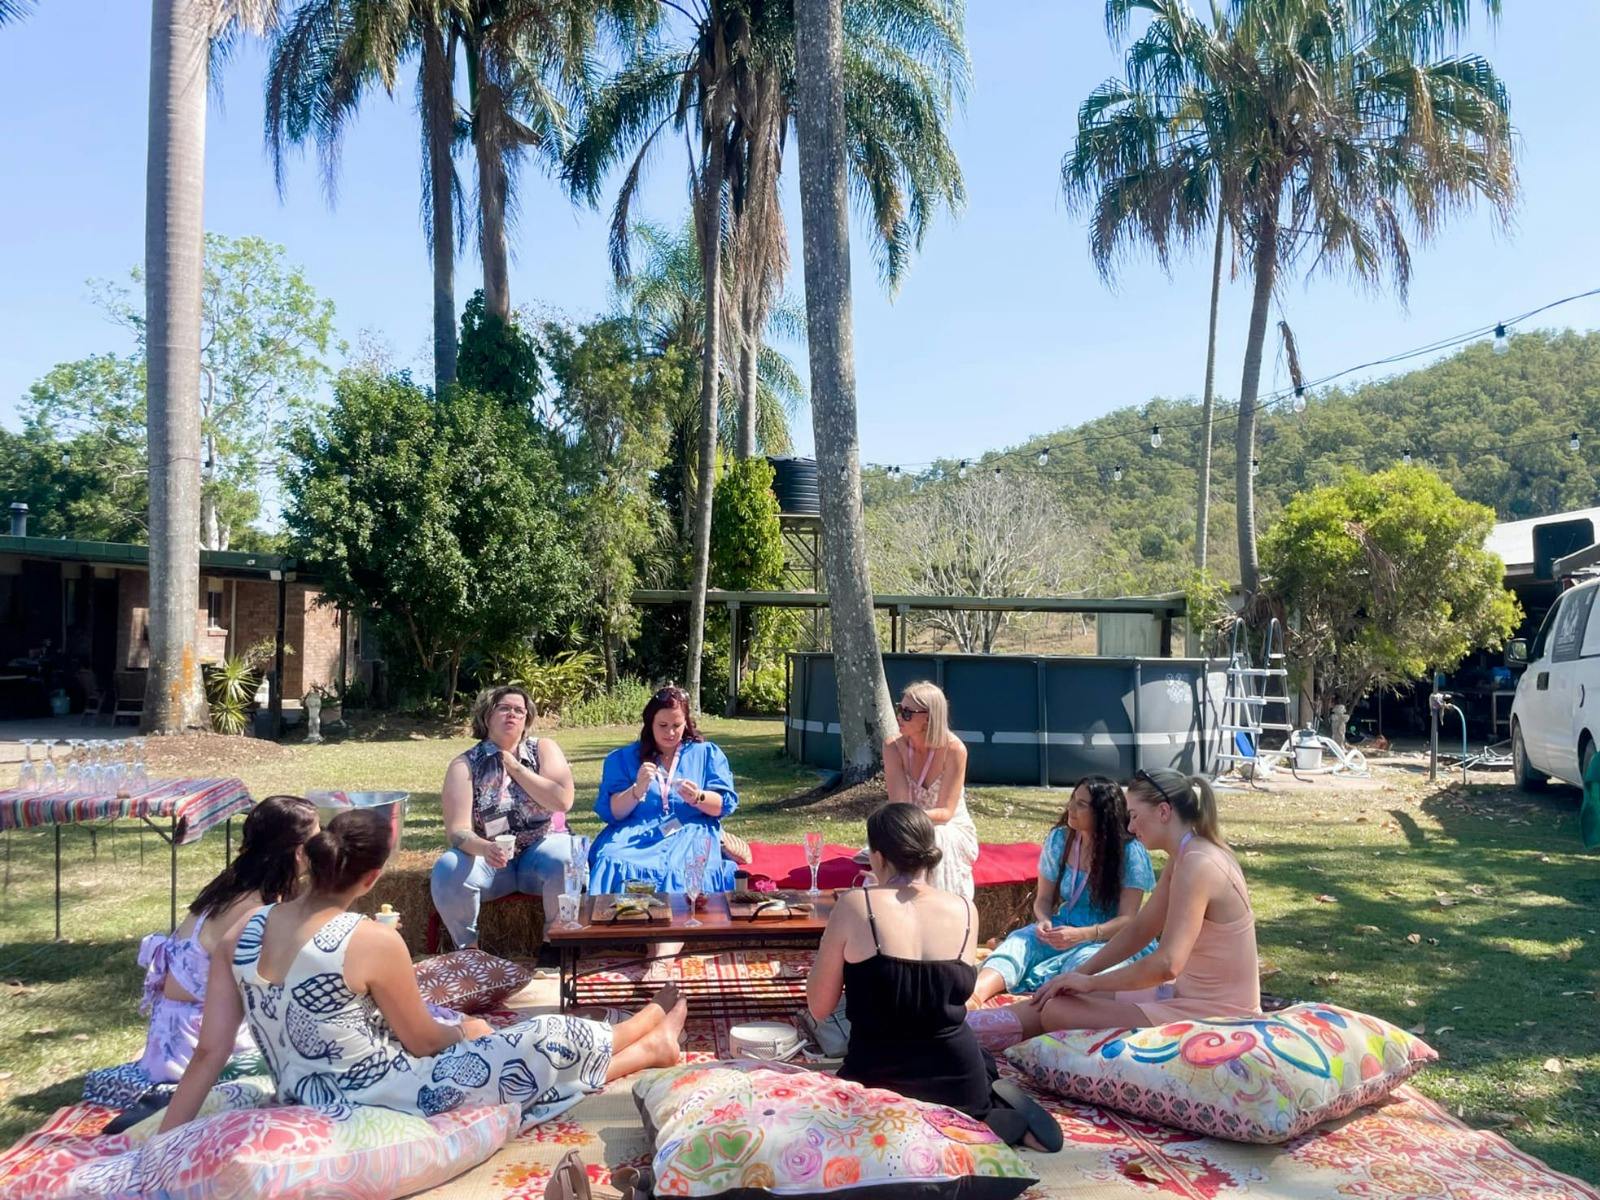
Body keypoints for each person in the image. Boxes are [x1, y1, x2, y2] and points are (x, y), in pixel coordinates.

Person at [160, 808, 688, 1132]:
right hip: (387, 1098)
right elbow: (424, 1043)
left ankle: (644, 1041)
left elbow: (210, 1052)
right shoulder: (371, 940)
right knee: (541, 1036)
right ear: (372, 880)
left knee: (517, 1045)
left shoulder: (243, 929)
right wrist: (468, 1029)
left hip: (301, 1094)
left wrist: (164, 1143)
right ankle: (642, 1031)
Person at [807, 803, 1063, 1153]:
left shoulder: (855, 905)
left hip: (877, 1080)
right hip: (958, 1079)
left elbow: (819, 1007)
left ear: (877, 858)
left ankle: (981, 1120)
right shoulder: (965, 909)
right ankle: (988, 1117)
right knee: (958, 1107)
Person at [983, 768, 1260, 1044]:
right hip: (1186, 997)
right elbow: (1140, 929)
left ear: (1164, 812)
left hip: (1214, 1014)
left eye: (1135, 816)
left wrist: (1091, 982)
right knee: (1064, 994)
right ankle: (975, 1029)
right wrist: (1080, 975)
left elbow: (1167, 964)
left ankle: (976, 1033)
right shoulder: (1187, 856)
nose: (1129, 827)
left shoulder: (1198, 863)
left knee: (1060, 1009)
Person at [83, 795, 320, 1109]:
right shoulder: (254, 909)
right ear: (300, 852)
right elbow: (279, 987)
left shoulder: (231, 886)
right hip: (199, 1052)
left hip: (172, 1040)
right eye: (318, 838)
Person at [968, 776, 1156, 1007]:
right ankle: (974, 998)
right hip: (1062, 928)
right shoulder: (1060, 840)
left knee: (1082, 968)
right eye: (1072, 800)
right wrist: (1045, 921)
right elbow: (1043, 899)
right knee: (1018, 944)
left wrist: (1084, 934)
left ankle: (1048, 1012)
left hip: (1107, 939)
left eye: (1081, 804)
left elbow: (1128, 920)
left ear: (1103, 813)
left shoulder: (1130, 852)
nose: (1070, 808)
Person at [431, 685, 579, 949]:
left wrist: (514, 767)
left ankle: (555, 946)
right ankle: (468, 950)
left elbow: (562, 801)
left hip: (541, 849)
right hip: (491, 860)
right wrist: (485, 848)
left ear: (527, 720)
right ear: (487, 716)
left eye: (519, 711)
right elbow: (458, 831)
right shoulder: (464, 764)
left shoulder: (542, 749)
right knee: (447, 866)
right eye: (504, 708)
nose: (512, 714)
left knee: (568, 857)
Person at [588, 685, 739, 894]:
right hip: (635, 831)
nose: (670, 732)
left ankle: (683, 923)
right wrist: (636, 789)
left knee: (681, 868)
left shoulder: (706, 754)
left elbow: (721, 806)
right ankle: (618, 921)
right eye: (662, 725)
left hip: (690, 829)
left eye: (677, 725)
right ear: (650, 723)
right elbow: (614, 812)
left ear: (686, 723)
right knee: (612, 858)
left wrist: (698, 797)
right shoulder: (623, 758)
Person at [884, 682, 980, 898]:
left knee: (936, 837)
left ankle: (942, 911)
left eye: (907, 712)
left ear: (928, 717)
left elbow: (945, 812)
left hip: (950, 826)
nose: (899, 716)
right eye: (899, 708)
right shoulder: (893, 746)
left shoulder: (954, 750)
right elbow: (898, 804)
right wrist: (902, 824)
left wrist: (907, 821)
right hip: (909, 826)